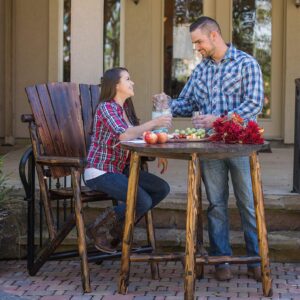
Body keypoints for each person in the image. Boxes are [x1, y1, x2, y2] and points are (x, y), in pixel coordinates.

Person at [155, 16, 264, 281]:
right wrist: (165, 103)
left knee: (248, 203)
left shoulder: (246, 64)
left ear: (214, 35)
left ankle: (256, 260)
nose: (197, 48)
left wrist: (218, 119)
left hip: (239, 146)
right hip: (209, 147)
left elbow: (254, 106)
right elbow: (186, 102)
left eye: (199, 41)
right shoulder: (201, 69)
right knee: (216, 205)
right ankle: (221, 259)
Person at [85, 67, 172, 254]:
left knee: (161, 188)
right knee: (142, 200)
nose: (132, 82)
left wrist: (160, 149)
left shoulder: (123, 109)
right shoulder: (106, 107)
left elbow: (136, 137)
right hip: (100, 171)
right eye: (128, 79)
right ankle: (97, 227)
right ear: (116, 85)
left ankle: (118, 229)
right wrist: (154, 123)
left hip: (119, 169)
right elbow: (124, 135)